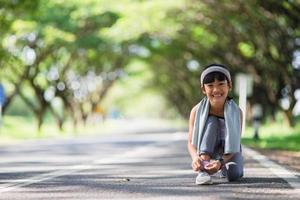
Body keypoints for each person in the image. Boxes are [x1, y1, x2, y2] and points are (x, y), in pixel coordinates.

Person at [187, 64, 244, 185]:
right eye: (210, 86)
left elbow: (236, 143)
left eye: (221, 84)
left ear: (229, 85)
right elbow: (191, 142)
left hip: (229, 152)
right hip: (207, 149)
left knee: (234, 174)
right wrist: (195, 158)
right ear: (203, 89)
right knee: (212, 120)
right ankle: (204, 170)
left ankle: (223, 168)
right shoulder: (196, 111)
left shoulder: (237, 112)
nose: (216, 90)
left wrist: (220, 163)